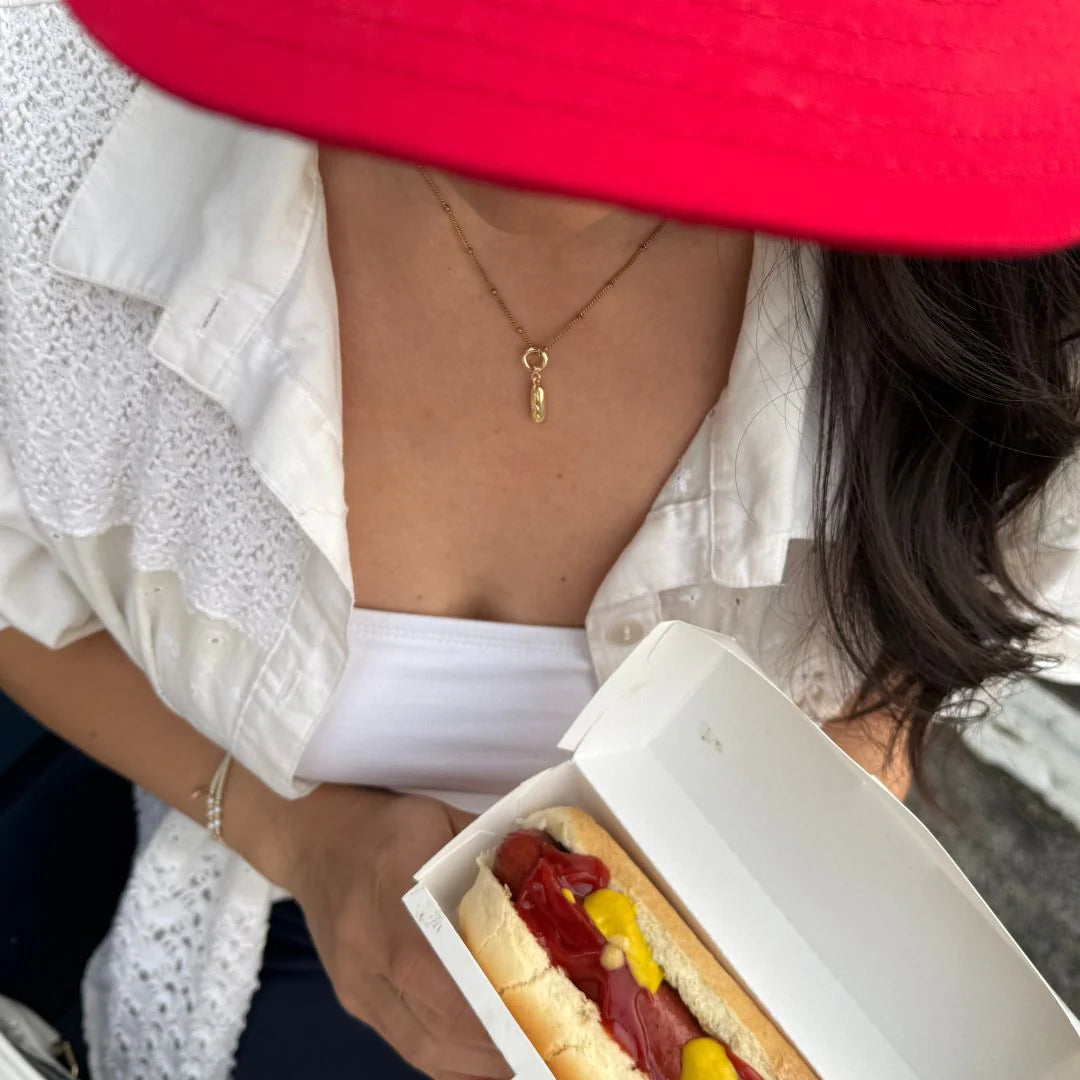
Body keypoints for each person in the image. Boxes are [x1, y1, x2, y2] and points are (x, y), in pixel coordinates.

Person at [2, 0, 1080, 1077]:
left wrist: (848, 761)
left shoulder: (1025, 286)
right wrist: (304, 842)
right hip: (248, 896)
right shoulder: (44, 126)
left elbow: (960, 614)